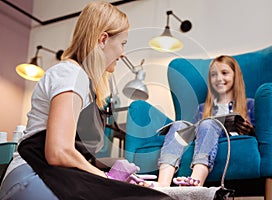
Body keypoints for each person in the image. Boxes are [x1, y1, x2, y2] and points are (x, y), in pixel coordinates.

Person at [0, 1, 172, 200]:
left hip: (55, 173)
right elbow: (58, 152)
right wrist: (106, 178)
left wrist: (116, 166)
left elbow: (74, 152)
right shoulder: (71, 74)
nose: (123, 53)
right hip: (33, 174)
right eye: (123, 43)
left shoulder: (87, 86)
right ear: (103, 40)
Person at [155, 55, 255, 187]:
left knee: (208, 123)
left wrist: (250, 130)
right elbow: (194, 137)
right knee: (179, 125)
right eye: (214, 75)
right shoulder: (202, 108)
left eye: (224, 73)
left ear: (236, 76)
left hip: (224, 138)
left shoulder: (249, 105)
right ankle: (162, 185)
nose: (219, 78)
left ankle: (195, 182)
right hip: (203, 139)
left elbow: (261, 135)